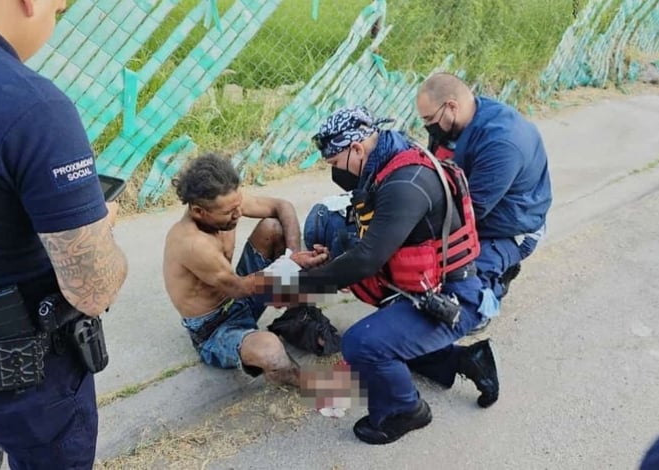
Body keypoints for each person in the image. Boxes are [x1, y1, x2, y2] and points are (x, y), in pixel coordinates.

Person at [279, 105, 499, 445]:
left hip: (454, 298)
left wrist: (300, 286)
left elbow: (368, 258)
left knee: (361, 343)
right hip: (427, 287)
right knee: (389, 341)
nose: (335, 173)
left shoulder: (405, 183)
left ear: (356, 149)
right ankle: (468, 360)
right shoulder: (390, 158)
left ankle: (405, 410)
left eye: (335, 164)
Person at [0, 1, 129, 468]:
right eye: (60, 7)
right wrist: (101, 228)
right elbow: (92, 287)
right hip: (23, 383)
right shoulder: (30, 106)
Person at [162, 153, 329, 387]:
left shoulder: (227, 204)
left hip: (240, 296)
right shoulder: (192, 243)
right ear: (200, 212)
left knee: (273, 227)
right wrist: (293, 265)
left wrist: (292, 257)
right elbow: (239, 289)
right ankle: (316, 387)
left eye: (238, 205)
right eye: (229, 213)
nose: (238, 214)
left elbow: (282, 206)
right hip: (215, 327)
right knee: (271, 351)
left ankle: (297, 317)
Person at [416, 73, 553, 325]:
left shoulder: (502, 142)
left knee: (458, 299)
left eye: (428, 119)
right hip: (482, 209)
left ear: (451, 106)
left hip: (512, 228)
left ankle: (490, 289)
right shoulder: (457, 122)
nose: (427, 127)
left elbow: (471, 211)